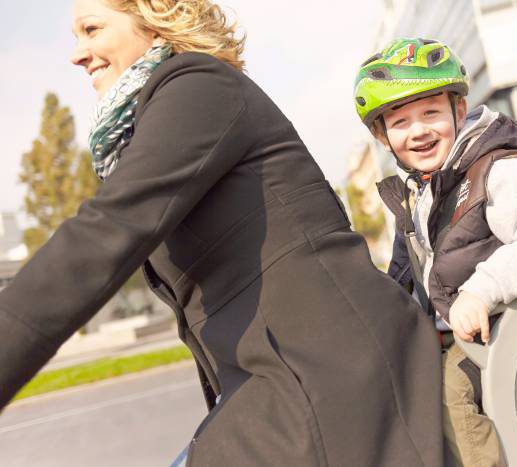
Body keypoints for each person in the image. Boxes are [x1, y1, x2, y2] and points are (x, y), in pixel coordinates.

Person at [0, 4, 447, 466]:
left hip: (328, 377)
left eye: (92, 29)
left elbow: (104, 235)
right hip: (276, 387)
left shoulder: (198, 87)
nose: (77, 54)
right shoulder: (161, 116)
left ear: (155, 20)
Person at [353, 38, 517, 466]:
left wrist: (481, 291)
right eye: (400, 122)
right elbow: (402, 278)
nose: (418, 130)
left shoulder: (494, 166)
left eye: (430, 113)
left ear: (459, 111)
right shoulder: (421, 190)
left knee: (444, 392)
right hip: (465, 335)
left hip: (507, 327)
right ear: (382, 137)